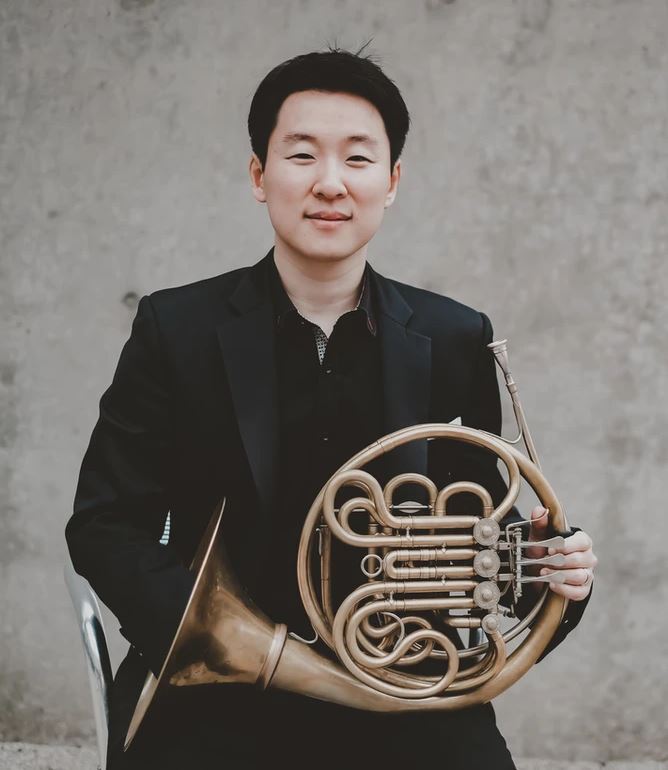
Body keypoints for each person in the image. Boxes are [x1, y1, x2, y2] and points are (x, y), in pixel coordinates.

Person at [65, 46, 597, 770]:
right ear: (259, 175)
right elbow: (106, 523)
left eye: (357, 159)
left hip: (403, 685)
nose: (328, 183)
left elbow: (482, 540)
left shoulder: (455, 336)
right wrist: (203, 635)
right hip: (214, 694)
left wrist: (548, 569)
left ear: (392, 181)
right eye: (302, 155)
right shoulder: (176, 329)